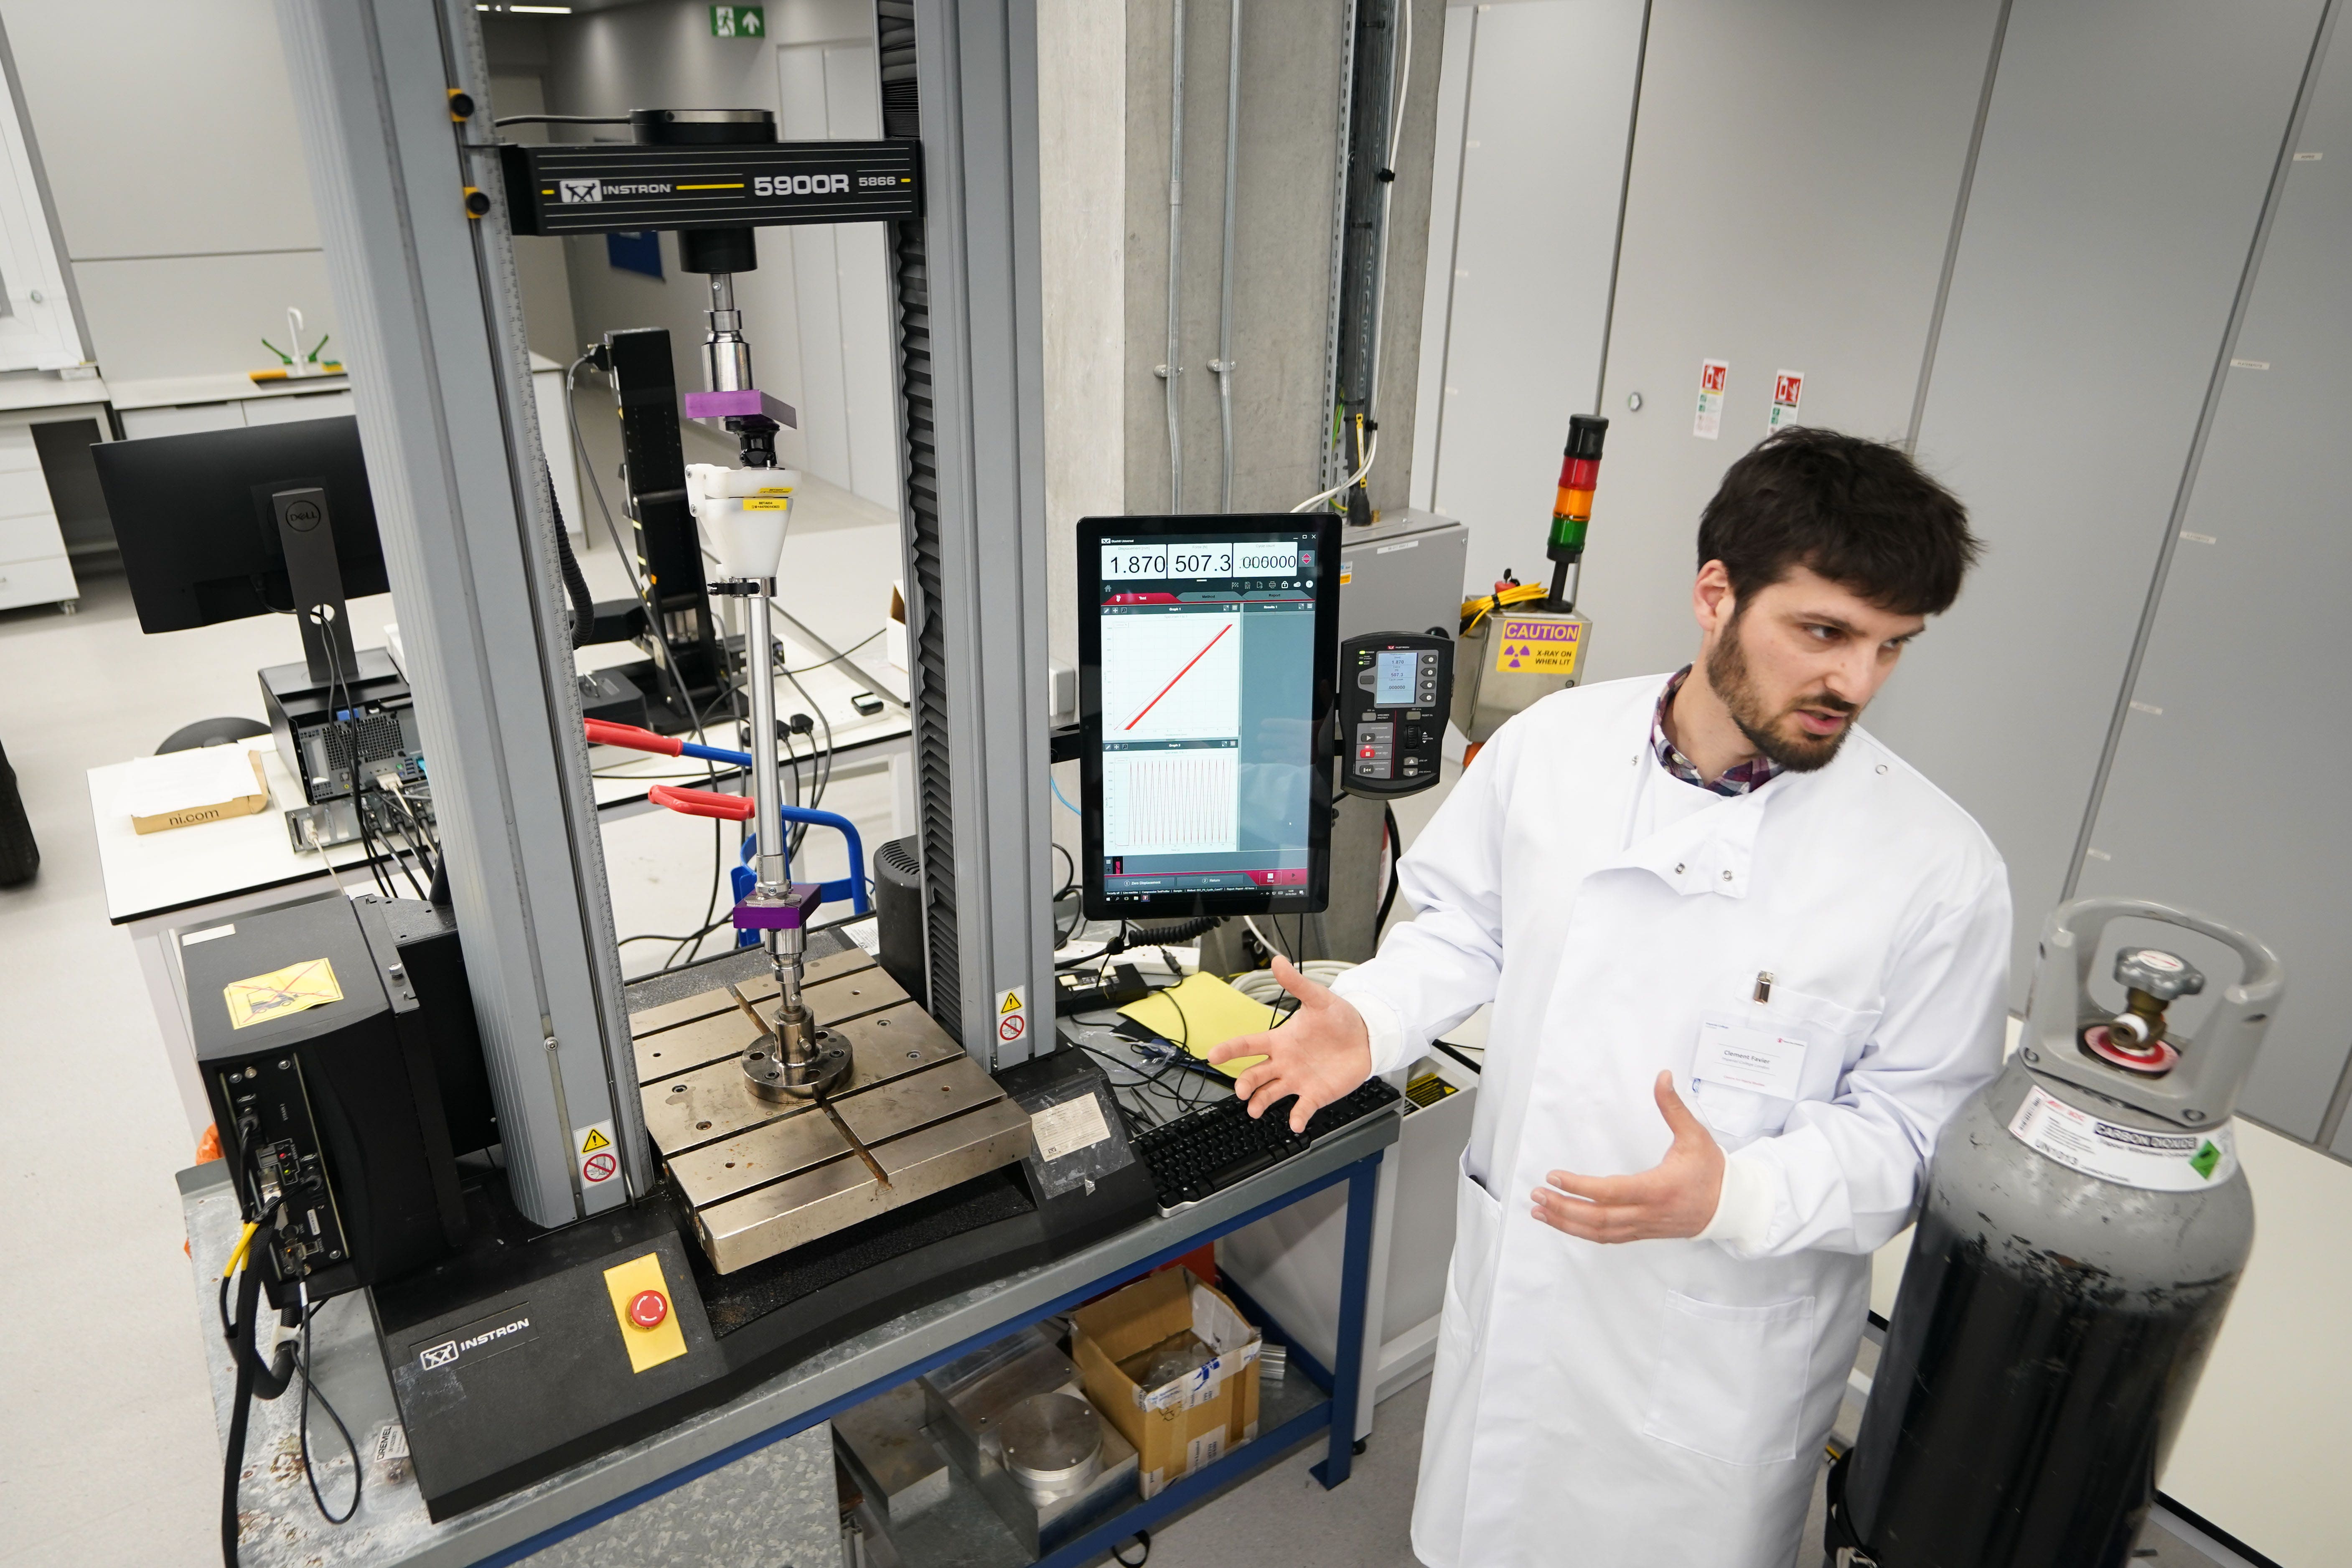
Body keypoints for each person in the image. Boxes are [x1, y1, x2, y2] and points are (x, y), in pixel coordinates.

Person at [1211, 427, 2010, 1567]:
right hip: (1532, 1291)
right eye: (1824, 632)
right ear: (1715, 594)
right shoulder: (1553, 748)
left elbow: (1915, 1136)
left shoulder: (1938, 868)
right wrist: (1377, 1012)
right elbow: (1468, 923)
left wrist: (1737, 1192)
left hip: (1718, 1351)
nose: (1856, 682)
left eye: (1892, 647)